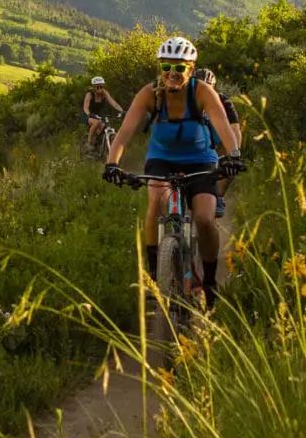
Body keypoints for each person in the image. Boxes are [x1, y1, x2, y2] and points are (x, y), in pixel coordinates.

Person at [103, 36, 243, 307]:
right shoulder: (148, 94)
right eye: (167, 66)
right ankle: (155, 275)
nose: (172, 73)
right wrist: (112, 163)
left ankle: (211, 281)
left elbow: (225, 127)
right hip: (162, 158)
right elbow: (124, 135)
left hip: (200, 158)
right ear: (160, 67)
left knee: (204, 218)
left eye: (179, 68)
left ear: (190, 69)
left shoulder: (202, 92)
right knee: (155, 201)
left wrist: (233, 155)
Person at [196, 68, 241, 215]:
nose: (204, 90)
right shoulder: (183, 100)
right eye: (199, 85)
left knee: (229, 165)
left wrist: (234, 154)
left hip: (215, 144)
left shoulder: (223, 101)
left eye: (208, 86)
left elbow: (234, 128)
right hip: (190, 145)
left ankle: (218, 196)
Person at [81, 76, 122, 152]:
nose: (99, 88)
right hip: (87, 115)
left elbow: (114, 103)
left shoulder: (104, 93)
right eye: (97, 87)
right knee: (96, 123)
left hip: (98, 115)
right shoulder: (89, 94)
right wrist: (89, 114)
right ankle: (89, 142)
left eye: (101, 86)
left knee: (104, 127)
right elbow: (85, 107)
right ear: (94, 87)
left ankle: (99, 145)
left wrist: (122, 111)